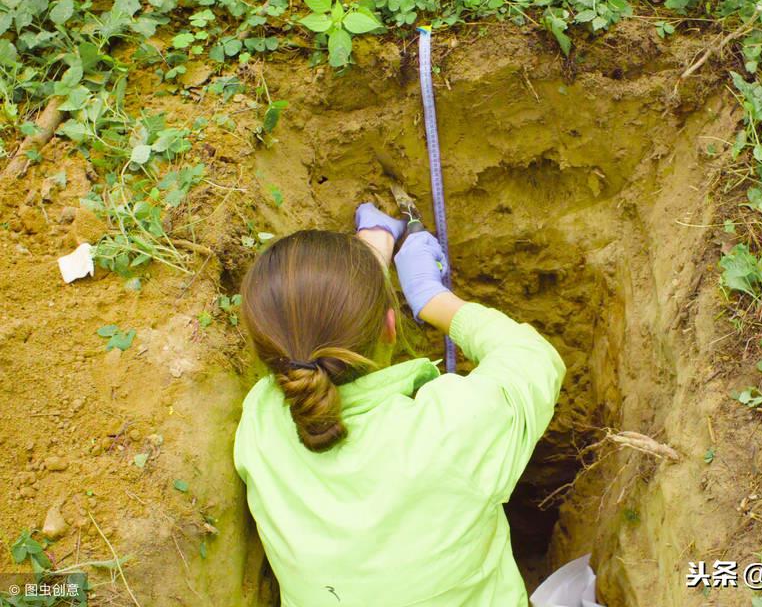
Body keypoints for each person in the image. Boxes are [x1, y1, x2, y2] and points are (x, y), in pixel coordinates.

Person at [234, 202, 566, 607]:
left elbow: (303, 336)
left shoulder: (260, 420)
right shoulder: (452, 430)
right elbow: (532, 358)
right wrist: (432, 298)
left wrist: (373, 250)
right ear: (391, 327)